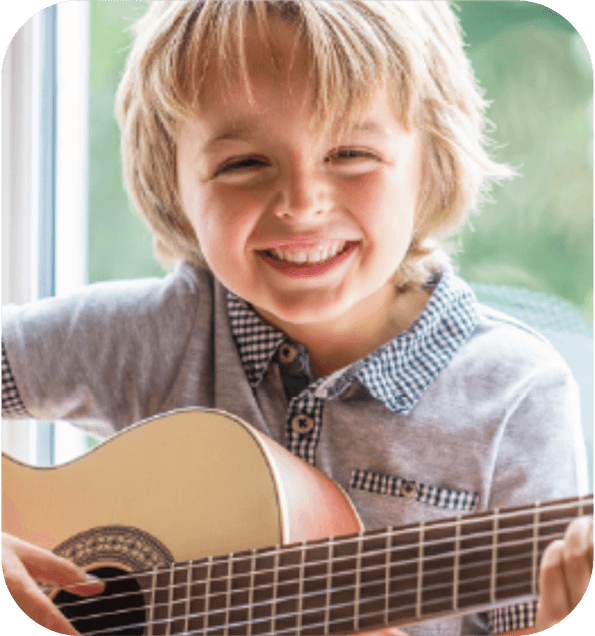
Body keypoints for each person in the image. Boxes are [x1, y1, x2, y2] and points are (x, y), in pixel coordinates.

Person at [1, 2, 592, 635]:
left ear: (431, 161)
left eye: (350, 153)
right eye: (244, 164)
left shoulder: (514, 394)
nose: (302, 204)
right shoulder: (153, 334)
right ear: (172, 181)